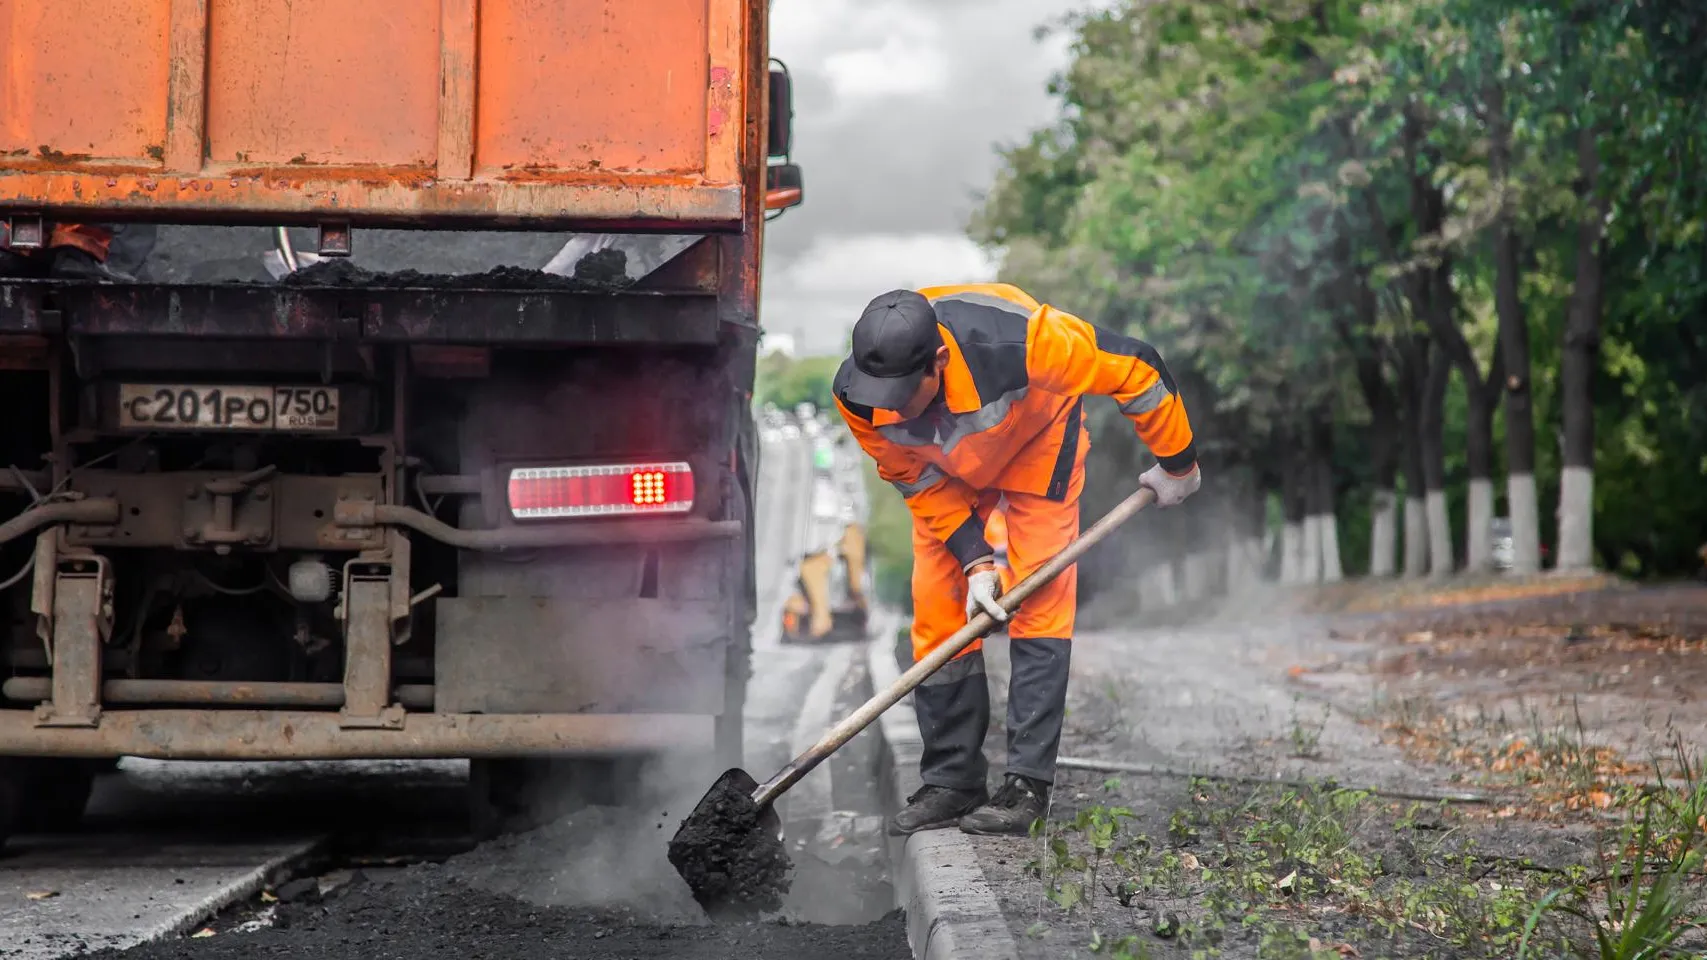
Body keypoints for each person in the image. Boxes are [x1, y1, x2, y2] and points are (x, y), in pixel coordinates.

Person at [832, 283, 1200, 836]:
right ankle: (952, 780)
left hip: (1038, 447)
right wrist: (976, 560)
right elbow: (916, 480)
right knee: (936, 612)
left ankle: (1027, 784)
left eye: (905, 392)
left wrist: (1177, 462)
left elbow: (1137, 368)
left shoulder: (1021, 341)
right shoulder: (859, 396)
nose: (890, 405)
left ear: (939, 361)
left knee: (1040, 602)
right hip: (948, 479)